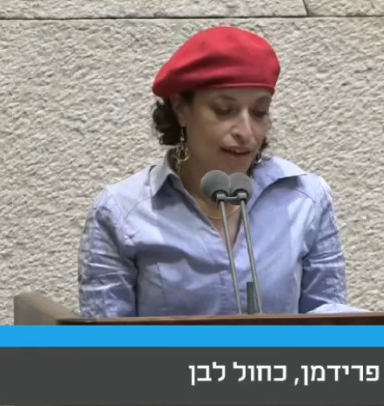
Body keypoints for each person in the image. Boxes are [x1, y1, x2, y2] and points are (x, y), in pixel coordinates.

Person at [78, 25, 364, 318]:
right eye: (224, 110)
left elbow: (328, 318)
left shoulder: (306, 198)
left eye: (259, 112)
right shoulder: (121, 211)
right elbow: (103, 338)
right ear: (181, 109)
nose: (246, 132)